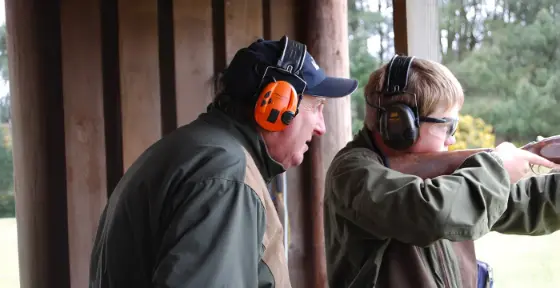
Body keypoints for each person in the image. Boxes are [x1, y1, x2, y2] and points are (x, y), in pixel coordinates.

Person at [88, 35, 358, 288]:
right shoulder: (227, 176)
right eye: (317, 107)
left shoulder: (198, 152)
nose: (321, 127)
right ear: (277, 104)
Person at [323, 54, 560, 288]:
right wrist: (498, 169)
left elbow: (524, 201)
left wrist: (510, 171)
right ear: (401, 125)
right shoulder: (352, 172)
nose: (453, 138)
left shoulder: (449, 176)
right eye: (448, 126)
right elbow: (432, 212)